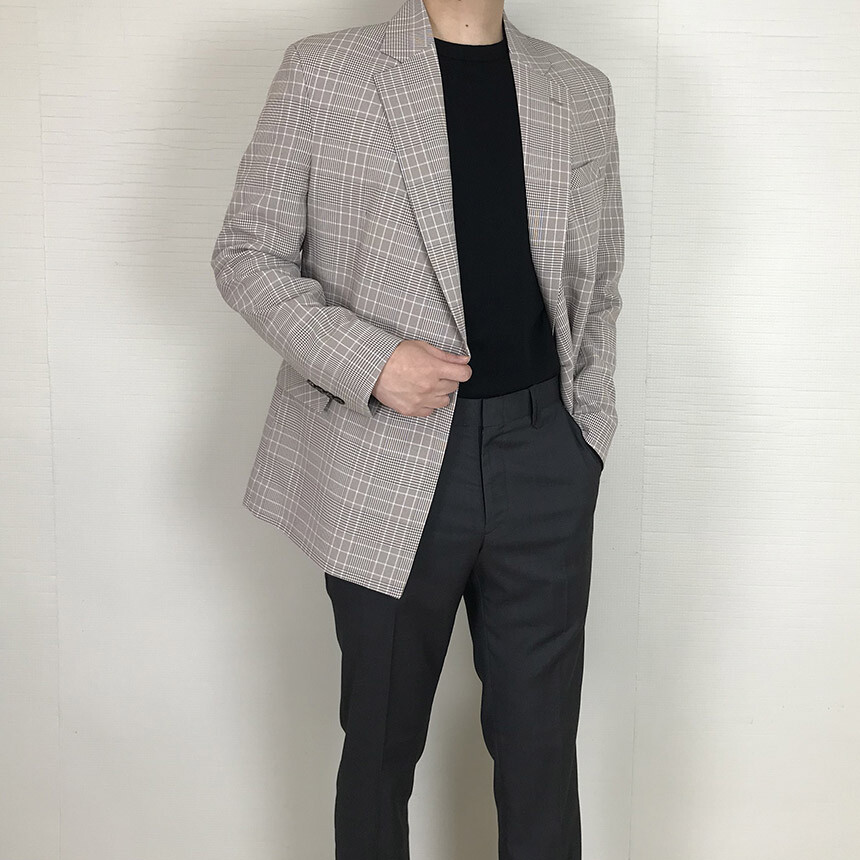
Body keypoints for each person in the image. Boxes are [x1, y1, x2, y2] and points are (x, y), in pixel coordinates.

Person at [210, 0, 624, 856]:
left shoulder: (580, 89)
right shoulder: (325, 72)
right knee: (381, 745)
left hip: (544, 458)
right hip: (386, 456)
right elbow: (247, 254)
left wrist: (585, 432)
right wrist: (371, 362)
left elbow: (600, 280)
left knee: (542, 751)